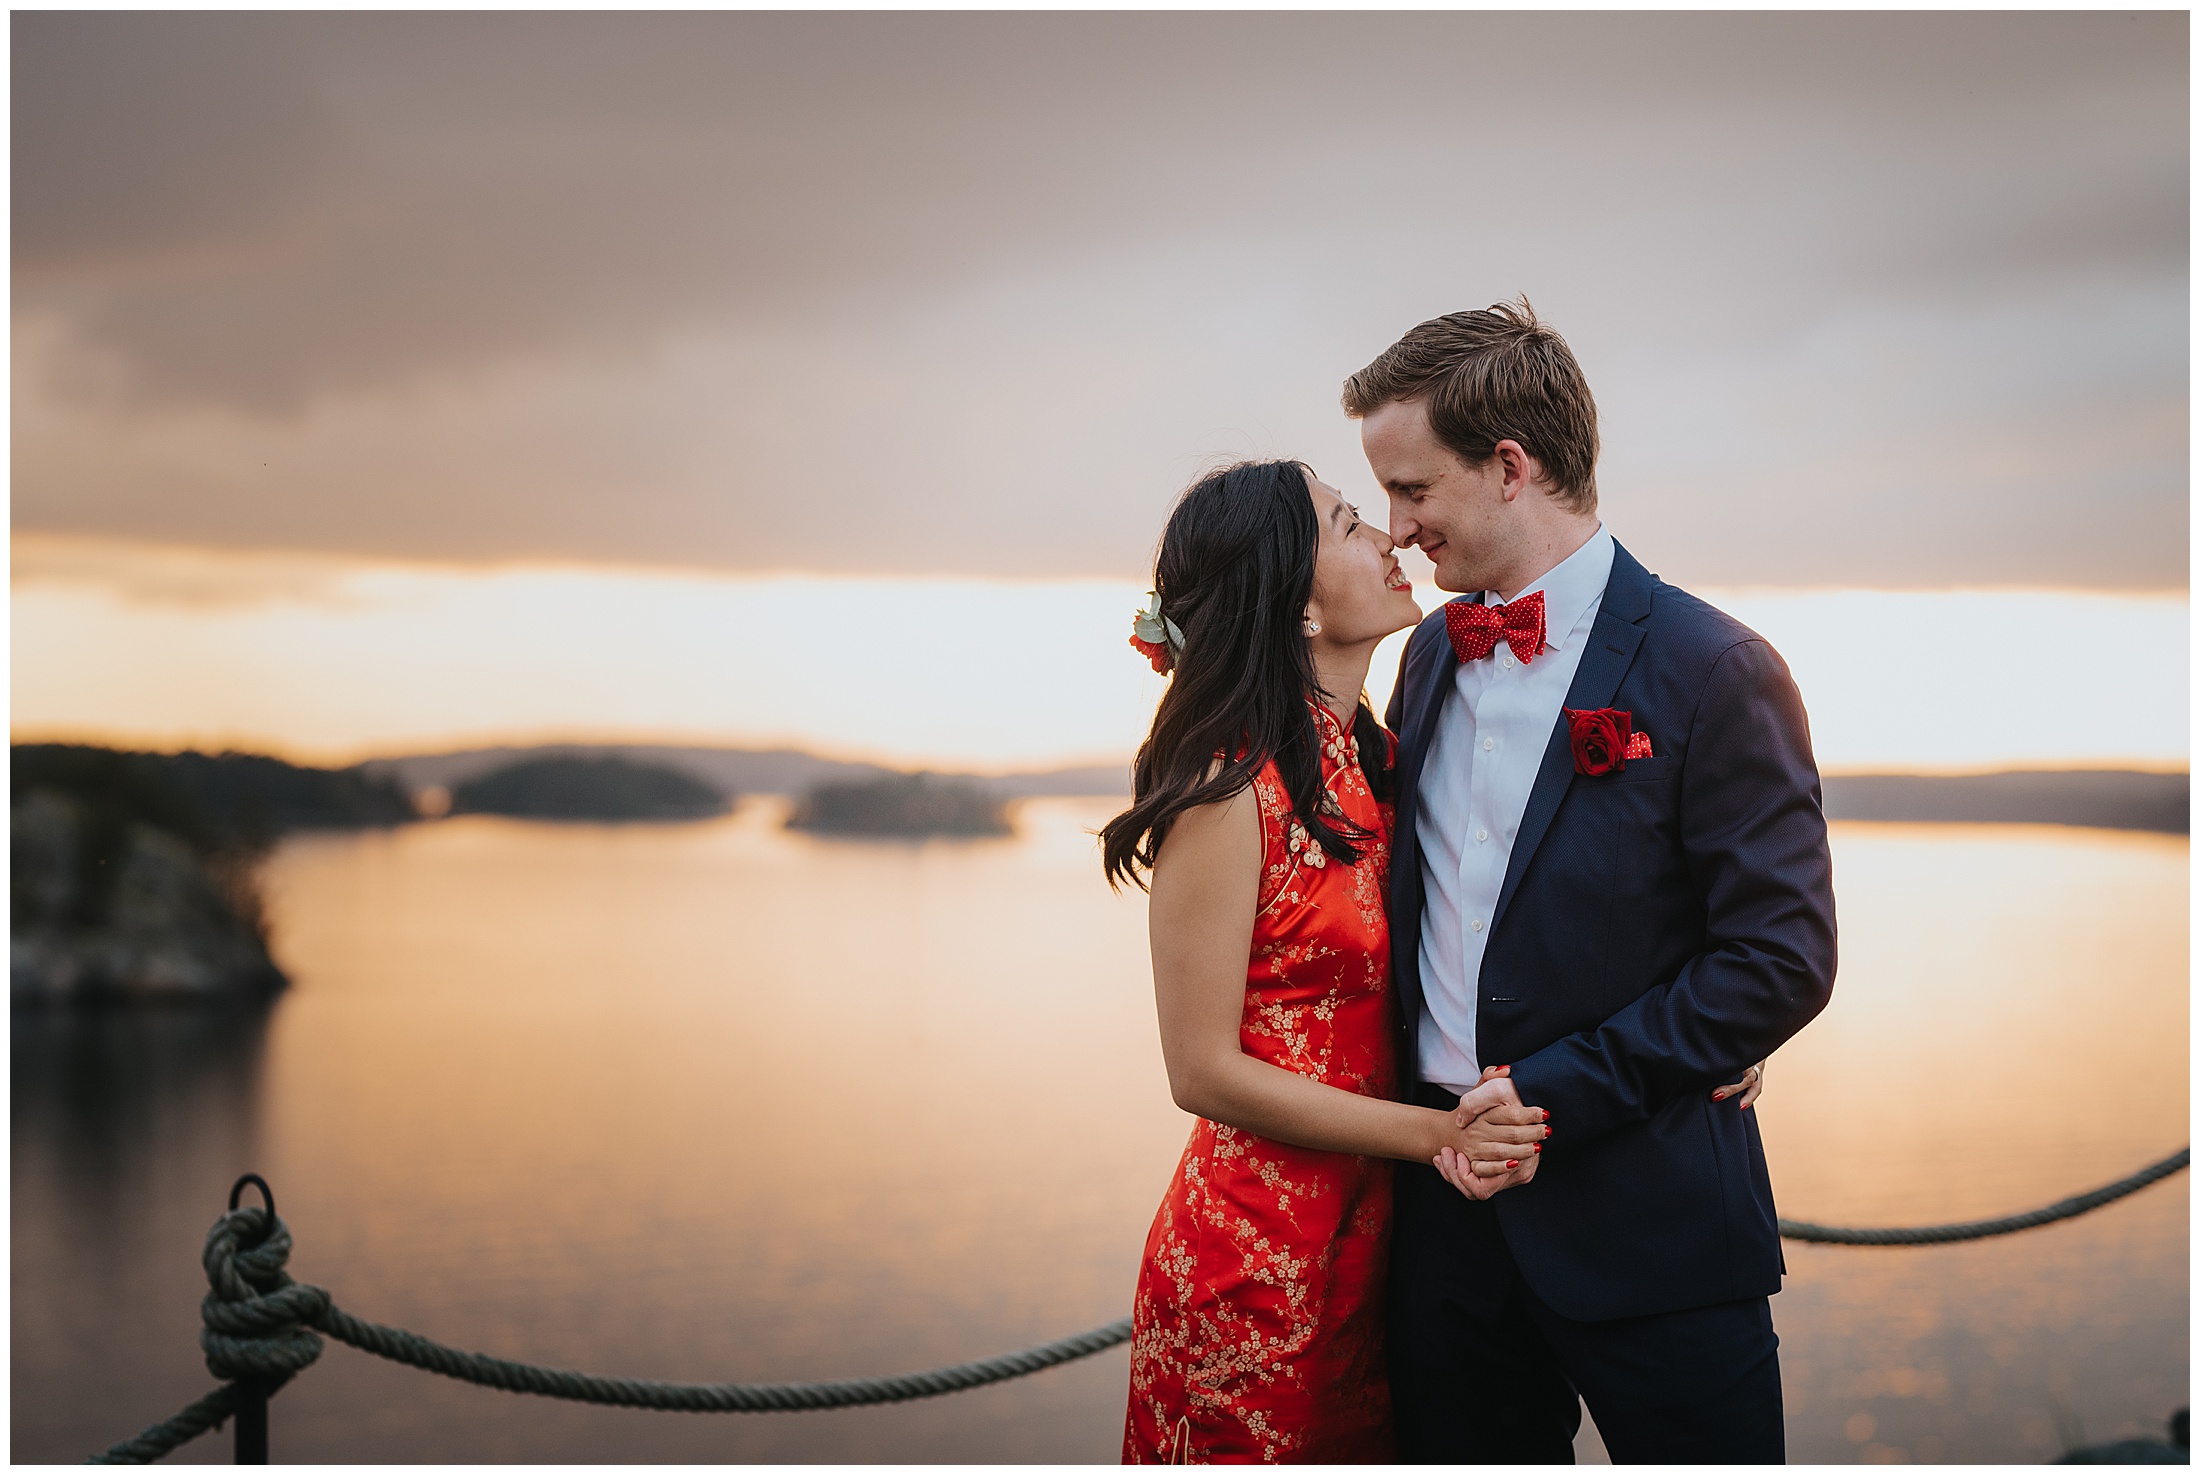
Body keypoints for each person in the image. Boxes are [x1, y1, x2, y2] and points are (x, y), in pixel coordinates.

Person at [1345, 300, 1836, 1462]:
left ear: (1509, 466)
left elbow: (1778, 957)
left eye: (1414, 490)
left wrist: (1560, 1089)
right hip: (1443, 1227)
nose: (1399, 526)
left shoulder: (1715, 666)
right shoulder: (1423, 656)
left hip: (1651, 1221)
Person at [1101, 459, 1552, 1463]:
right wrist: (1440, 1132)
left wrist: (1709, 1030)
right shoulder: (1230, 788)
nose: (1391, 537)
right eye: (1351, 524)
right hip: (1251, 1262)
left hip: (1377, 1253)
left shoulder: (1380, 764)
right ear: (1293, 599)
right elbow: (1201, 1071)